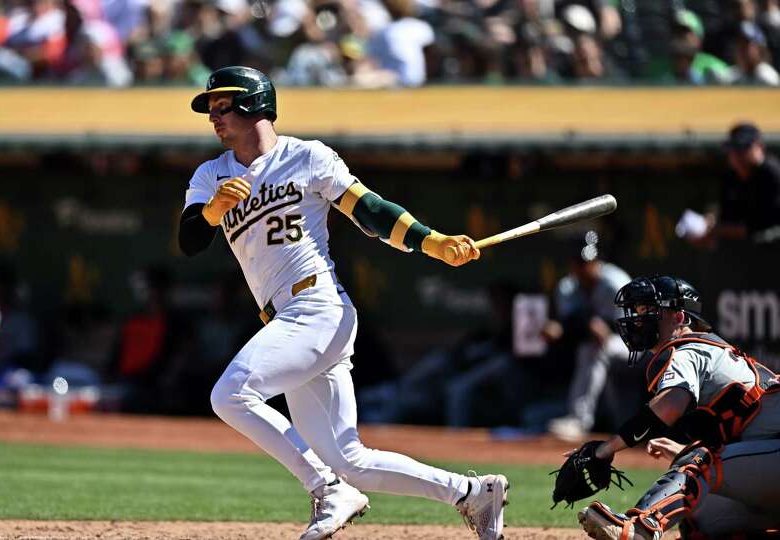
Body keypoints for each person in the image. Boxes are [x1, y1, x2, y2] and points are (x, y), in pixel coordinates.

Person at [178, 65, 508, 540]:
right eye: (210, 109)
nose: (214, 117)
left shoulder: (306, 156)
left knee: (230, 395)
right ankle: (471, 492)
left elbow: (368, 209)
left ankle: (326, 490)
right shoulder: (212, 175)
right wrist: (211, 212)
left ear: (255, 105)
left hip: (316, 306)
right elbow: (190, 240)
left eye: (223, 106)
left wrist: (431, 241)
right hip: (287, 318)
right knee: (349, 459)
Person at [576, 275, 780, 540]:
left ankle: (639, 528)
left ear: (679, 318)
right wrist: (687, 452)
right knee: (699, 519)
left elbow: (670, 405)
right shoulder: (709, 353)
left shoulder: (688, 350)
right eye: (637, 311)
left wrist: (607, 448)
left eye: (648, 310)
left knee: (701, 462)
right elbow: (748, 436)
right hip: (771, 463)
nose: (638, 319)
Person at [545, 232, 632, 441]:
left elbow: (633, 329)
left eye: (587, 262)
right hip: (604, 348)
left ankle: (579, 420)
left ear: (598, 261)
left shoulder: (616, 282)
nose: (583, 267)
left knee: (595, 347)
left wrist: (598, 327)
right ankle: (580, 418)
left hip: (639, 344)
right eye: (578, 262)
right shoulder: (567, 287)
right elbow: (570, 323)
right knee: (592, 347)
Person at [693, 122, 780, 245]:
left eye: (743, 149)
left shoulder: (772, 174)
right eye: (733, 150)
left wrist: (717, 230)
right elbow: (726, 214)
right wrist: (709, 224)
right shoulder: (730, 176)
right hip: (740, 255)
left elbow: (764, 226)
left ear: (759, 147)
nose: (737, 156)